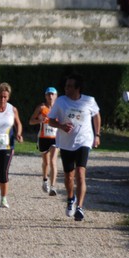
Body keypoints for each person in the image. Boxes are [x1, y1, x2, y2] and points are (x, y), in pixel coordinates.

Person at [47, 73, 101, 221]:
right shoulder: (61, 101)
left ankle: (80, 207)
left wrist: (97, 135)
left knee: (80, 173)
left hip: (84, 141)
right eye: (65, 86)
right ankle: (71, 198)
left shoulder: (89, 101)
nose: (66, 88)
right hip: (66, 143)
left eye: (70, 86)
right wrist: (61, 126)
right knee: (68, 176)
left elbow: (96, 115)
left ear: (78, 88)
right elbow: (50, 121)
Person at [29, 87, 59, 195]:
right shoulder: (41, 108)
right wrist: (39, 120)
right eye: (48, 94)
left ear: (56, 96)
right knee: (46, 163)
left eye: (53, 94)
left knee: (53, 161)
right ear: (46, 96)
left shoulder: (60, 108)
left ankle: (53, 186)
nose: (50, 96)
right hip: (43, 138)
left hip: (55, 139)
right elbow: (31, 121)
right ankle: (45, 180)